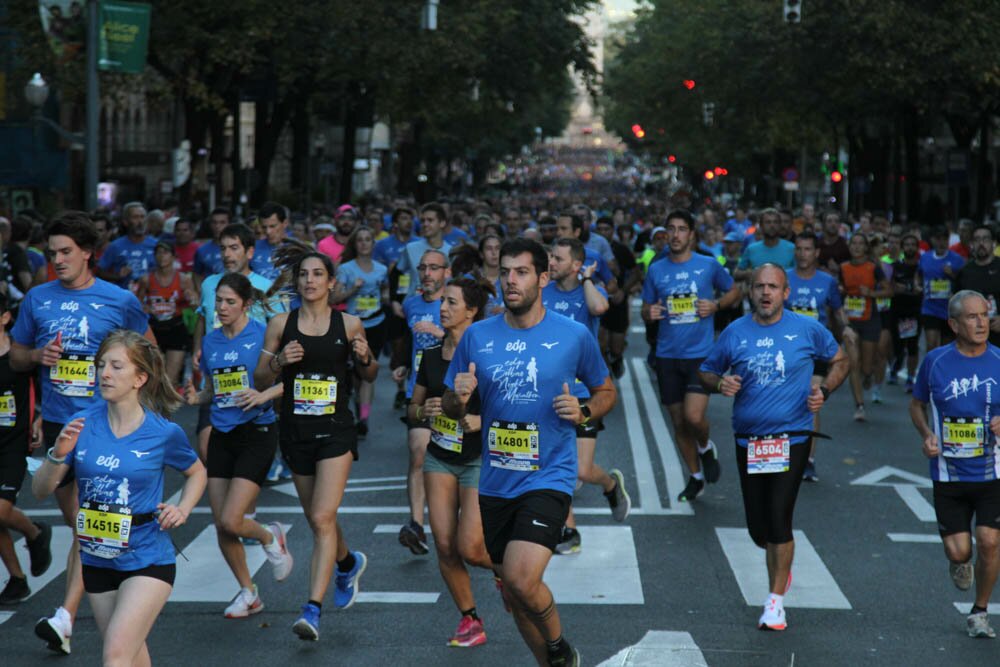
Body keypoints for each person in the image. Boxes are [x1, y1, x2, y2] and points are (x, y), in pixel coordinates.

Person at [442, 238, 617, 666]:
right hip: (497, 480)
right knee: (516, 597)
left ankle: (559, 645)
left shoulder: (573, 335)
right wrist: (457, 398)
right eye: (504, 272)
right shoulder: (478, 336)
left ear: (542, 278)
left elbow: (606, 390)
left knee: (520, 578)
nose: (510, 281)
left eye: (520, 272)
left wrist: (584, 411)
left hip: (549, 475)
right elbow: (448, 402)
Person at [11, 212, 154, 656]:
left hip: (103, 423)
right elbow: (14, 356)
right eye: (52, 252)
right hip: (59, 424)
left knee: (89, 524)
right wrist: (37, 353)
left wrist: (136, 397)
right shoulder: (37, 299)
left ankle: (66, 615)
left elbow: (146, 351)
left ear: (88, 253)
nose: (57, 260)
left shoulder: (118, 299)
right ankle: (113, 594)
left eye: (66, 252)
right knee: (82, 526)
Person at [31, 330, 207, 666]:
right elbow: (40, 491)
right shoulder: (81, 423)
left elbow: (197, 472)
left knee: (114, 656)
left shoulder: (162, 431)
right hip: (97, 559)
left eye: (116, 366)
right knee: (132, 655)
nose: (105, 373)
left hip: (147, 558)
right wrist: (57, 455)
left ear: (140, 378)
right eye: (101, 365)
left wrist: (182, 507)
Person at [699, 264, 849, 631]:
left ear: (785, 293)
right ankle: (781, 569)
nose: (766, 293)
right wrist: (721, 385)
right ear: (750, 291)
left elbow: (841, 359)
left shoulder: (806, 329)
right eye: (759, 287)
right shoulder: (735, 332)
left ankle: (775, 602)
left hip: (791, 437)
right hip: (748, 440)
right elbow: (706, 371)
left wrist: (824, 390)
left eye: (773, 287)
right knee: (758, 529)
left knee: (780, 516)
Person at [255, 245, 376, 641]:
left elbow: (370, 373)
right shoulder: (279, 324)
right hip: (294, 432)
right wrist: (279, 362)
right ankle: (346, 563)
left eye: (317, 274)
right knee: (315, 518)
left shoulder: (350, 324)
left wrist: (364, 356)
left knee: (323, 517)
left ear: (331, 283)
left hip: (336, 432)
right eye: (304, 274)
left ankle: (312, 609)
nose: (309, 280)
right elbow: (259, 380)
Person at [184, 273, 293, 618]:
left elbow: (291, 383)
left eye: (230, 301)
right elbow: (216, 390)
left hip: (257, 432)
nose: (222, 307)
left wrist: (263, 394)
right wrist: (195, 397)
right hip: (223, 434)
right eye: (219, 300)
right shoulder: (213, 342)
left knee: (233, 520)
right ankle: (249, 592)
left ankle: (268, 537)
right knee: (222, 524)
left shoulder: (262, 338)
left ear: (247, 305)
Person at [910, 290, 1000, 639]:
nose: (982, 323)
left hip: (992, 470)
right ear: (953, 323)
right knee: (959, 550)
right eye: (972, 317)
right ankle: (960, 562)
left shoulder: (998, 360)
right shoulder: (935, 361)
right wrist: (926, 433)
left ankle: (980, 611)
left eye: (985, 315)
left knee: (990, 542)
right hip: (948, 473)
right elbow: (917, 405)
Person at [410, 275, 493, 648]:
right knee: (444, 545)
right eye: (442, 301)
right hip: (440, 457)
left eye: (452, 303)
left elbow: (518, 405)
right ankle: (470, 619)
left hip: (478, 458)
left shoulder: (489, 352)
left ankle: (512, 576)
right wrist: (422, 409)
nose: (442, 308)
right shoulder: (430, 355)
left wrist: (483, 421)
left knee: (472, 547)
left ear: (472, 311)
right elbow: (412, 409)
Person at [641, 210, 741, 502]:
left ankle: (706, 446)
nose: (675, 235)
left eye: (681, 229)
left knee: (693, 416)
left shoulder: (708, 265)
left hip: (700, 354)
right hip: (667, 355)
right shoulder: (656, 269)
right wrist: (650, 312)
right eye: (670, 229)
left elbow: (734, 291)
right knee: (678, 423)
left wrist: (717, 305)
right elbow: (646, 309)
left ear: (692, 235)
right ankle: (695, 476)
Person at [543, 238, 630, 554]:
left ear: (576, 265)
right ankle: (569, 530)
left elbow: (599, 308)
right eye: (550, 256)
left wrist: (588, 279)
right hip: (551, 393)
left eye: (558, 258)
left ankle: (610, 485)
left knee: (581, 469)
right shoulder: (544, 291)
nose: (551, 262)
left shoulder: (588, 289)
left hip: (585, 393)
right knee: (556, 464)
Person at [786, 233, 856, 481]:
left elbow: (837, 310)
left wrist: (846, 327)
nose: (802, 253)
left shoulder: (826, 281)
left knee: (812, 397)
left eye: (807, 249)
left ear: (816, 253)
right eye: (799, 248)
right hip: (787, 351)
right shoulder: (784, 277)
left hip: (816, 350)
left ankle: (809, 460)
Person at [395, 249, 449, 554]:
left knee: (453, 459)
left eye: (434, 268)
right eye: (423, 268)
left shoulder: (454, 302)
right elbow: (407, 340)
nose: (427, 274)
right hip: (419, 388)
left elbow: (468, 341)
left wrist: (439, 332)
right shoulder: (411, 304)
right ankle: (416, 524)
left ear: (446, 272)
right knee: (417, 452)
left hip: (451, 392)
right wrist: (402, 364)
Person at [0, 292, 52, 604]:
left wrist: (40, 419)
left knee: (0, 509)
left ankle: (34, 533)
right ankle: (17, 580)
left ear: (6, 318)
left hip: (12, 443)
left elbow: (45, 387)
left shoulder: (19, 356)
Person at [333, 226, 389, 436]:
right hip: (354, 326)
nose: (364, 243)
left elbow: (385, 291)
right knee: (357, 375)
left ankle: (364, 419)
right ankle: (359, 405)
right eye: (360, 240)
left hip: (376, 324)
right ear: (355, 245)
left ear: (373, 244)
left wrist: (385, 298)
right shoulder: (346, 269)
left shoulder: (381, 269)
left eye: (368, 240)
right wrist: (353, 289)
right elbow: (334, 299)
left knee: (368, 372)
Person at [840, 234, 892, 421]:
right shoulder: (843, 267)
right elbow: (839, 290)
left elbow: (889, 290)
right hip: (850, 321)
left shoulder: (873, 268)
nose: (856, 247)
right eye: (853, 243)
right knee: (853, 362)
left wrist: (871, 292)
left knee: (866, 366)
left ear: (865, 248)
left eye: (860, 244)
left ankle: (868, 375)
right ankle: (859, 406)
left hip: (870, 319)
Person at [135, 240, 199, 387]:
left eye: (165, 253)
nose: (161, 256)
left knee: (170, 379)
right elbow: (136, 304)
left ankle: (165, 409)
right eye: (158, 253)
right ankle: (152, 407)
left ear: (173, 256)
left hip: (175, 328)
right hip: (154, 329)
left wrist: (191, 298)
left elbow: (195, 304)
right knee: (154, 375)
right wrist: (144, 307)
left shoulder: (184, 279)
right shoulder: (147, 279)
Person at [919, 226, 965, 352]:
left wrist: (952, 275)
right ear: (932, 240)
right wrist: (917, 285)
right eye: (938, 239)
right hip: (930, 308)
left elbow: (964, 282)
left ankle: (944, 371)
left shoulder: (957, 260)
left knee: (947, 348)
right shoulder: (925, 258)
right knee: (931, 345)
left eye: (945, 239)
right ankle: (932, 370)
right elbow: (918, 275)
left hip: (949, 309)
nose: (941, 242)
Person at [955, 226, 1000, 347]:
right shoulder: (965, 272)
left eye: (985, 239)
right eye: (977, 239)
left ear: (994, 243)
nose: (981, 243)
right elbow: (956, 304)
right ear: (971, 245)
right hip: (974, 338)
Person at [396, 203, 453, 297]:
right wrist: (396, 300)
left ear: (442, 223)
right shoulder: (410, 248)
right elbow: (398, 274)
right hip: (412, 306)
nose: (425, 224)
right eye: (422, 221)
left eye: (430, 220)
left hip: (441, 307)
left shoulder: (452, 252)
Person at [98, 202, 157, 291]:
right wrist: (118, 276)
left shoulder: (156, 244)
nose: (140, 222)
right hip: (124, 298)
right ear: (125, 222)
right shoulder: (116, 246)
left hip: (151, 297)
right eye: (135, 217)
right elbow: (99, 272)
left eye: (142, 217)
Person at [891, 234, 924, 391]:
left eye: (913, 245)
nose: (910, 247)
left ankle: (910, 378)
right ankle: (896, 364)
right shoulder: (896, 266)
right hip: (897, 310)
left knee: (912, 345)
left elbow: (923, 288)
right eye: (907, 245)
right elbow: (891, 286)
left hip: (914, 311)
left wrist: (914, 289)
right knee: (897, 346)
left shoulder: (921, 268)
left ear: (917, 248)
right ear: (902, 247)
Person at [733, 208, 795, 281]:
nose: (772, 225)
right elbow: (736, 273)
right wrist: (749, 274)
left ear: (779, 225)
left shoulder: (792, 248)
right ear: (761, 226)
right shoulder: (752, 249)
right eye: (768, 222)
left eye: (775, 222)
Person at [251, 202, 290, 280]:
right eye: (264, 227)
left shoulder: (299, 248)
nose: (268, 231)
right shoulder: (252, 248)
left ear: (285, 223)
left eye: (272, 226)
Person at [193, 208, 230, 287]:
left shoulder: (240, 248)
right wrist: (201, 292)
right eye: (214, 222)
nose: (217, 226)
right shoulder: (202, 250)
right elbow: (196, 274)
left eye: (222, 222)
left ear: (229, 224)